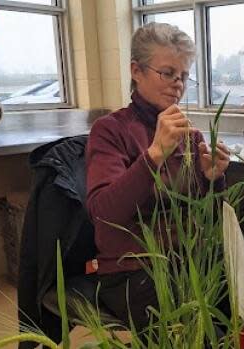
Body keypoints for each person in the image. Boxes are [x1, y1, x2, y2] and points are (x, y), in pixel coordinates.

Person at [85, 22, 230, 330]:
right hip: (133, 270)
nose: (177, 84)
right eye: (167, 73)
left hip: (188, 260)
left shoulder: (189, 136)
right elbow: (104, 212)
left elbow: (210, 218)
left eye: (183, 76)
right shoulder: (110, 130)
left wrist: (213, 179)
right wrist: (153, 156)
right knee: (204, 334)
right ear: (136, 71)